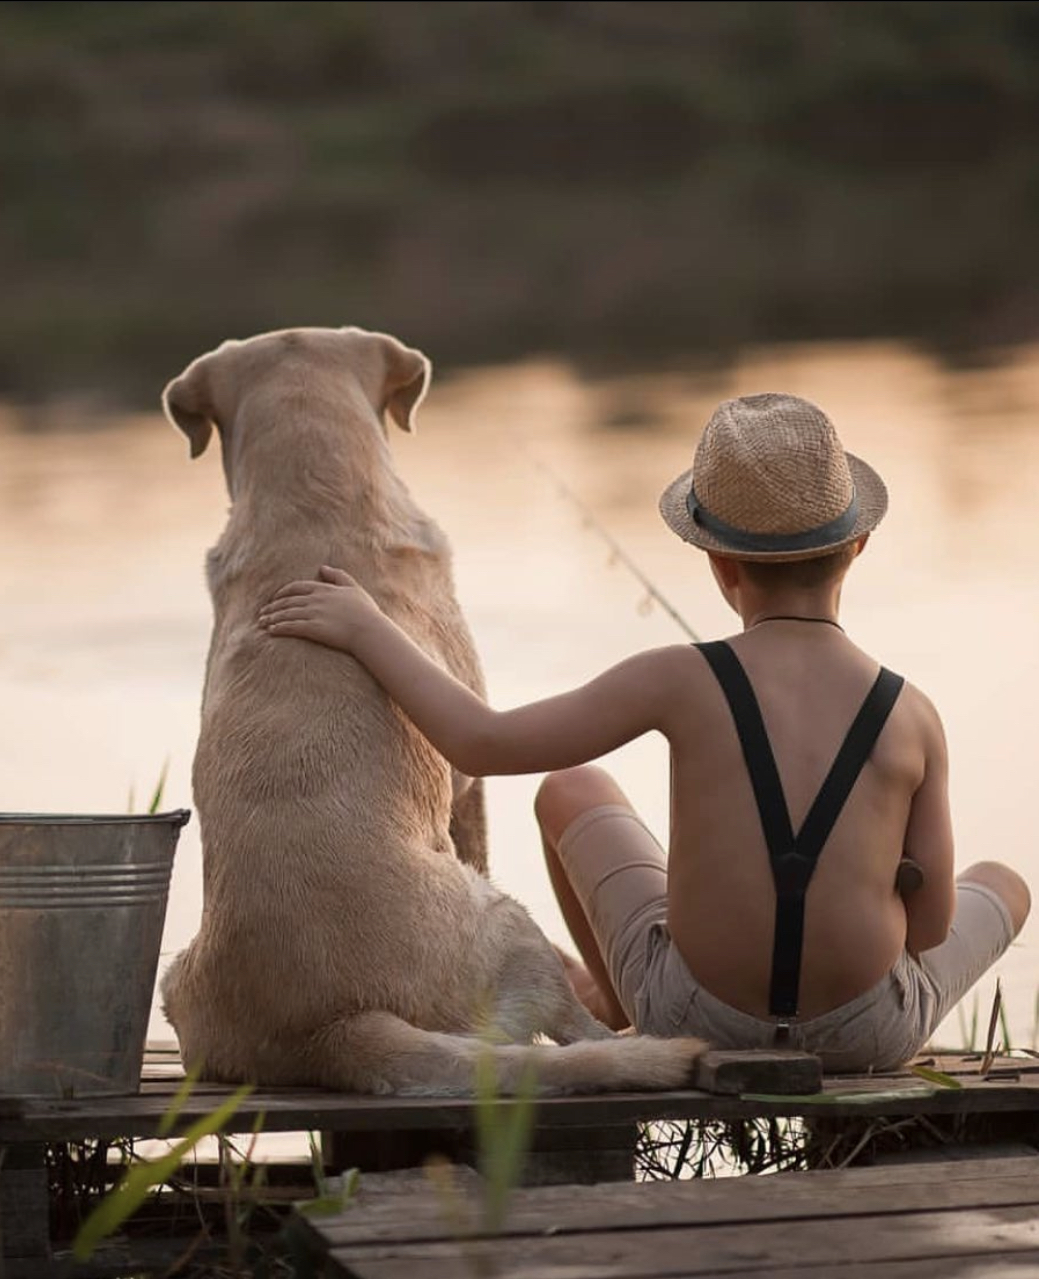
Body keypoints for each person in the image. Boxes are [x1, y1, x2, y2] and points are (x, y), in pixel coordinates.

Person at [257, 392, 1029, 1071]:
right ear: (856, 546)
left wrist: (368, 628)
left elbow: (481, 743)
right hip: (867, 1032)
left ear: (719, 562)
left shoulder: (676, 677)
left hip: (692, 1017)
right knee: (1005, 883)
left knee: (572, 787)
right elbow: (927, 931)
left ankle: (614, 1005)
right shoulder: (910, 711)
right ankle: (635, 1000)